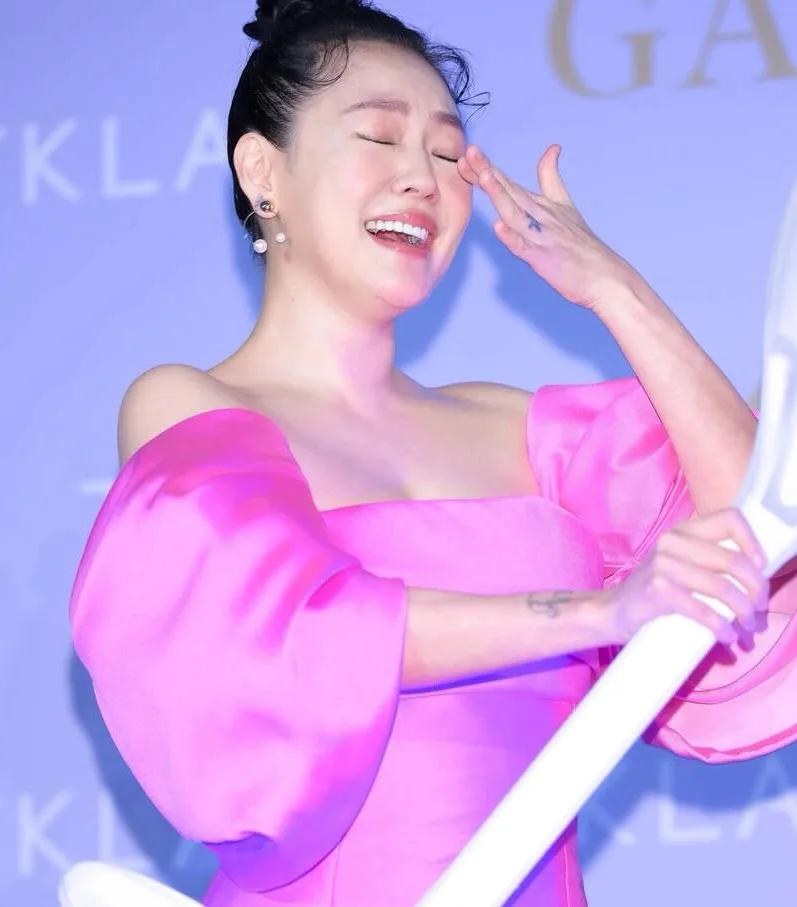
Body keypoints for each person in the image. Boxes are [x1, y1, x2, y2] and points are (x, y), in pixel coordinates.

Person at [68, 1, 797, 905]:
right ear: (262, 171)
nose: (421, 177)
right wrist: (596, 611)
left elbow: (764, 526)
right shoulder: (189, 405)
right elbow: (299, 637)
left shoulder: (519, 430)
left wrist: (614, 290)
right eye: (379, 137)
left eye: (448, 155)